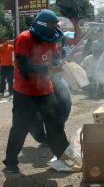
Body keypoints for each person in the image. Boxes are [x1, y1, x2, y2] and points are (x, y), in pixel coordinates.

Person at [3, 9, 80, 173]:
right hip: (25, 92)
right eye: (52, 26)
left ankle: (65, 159)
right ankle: (10, 163)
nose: (54, 29)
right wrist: (48, 69)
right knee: (20, 127)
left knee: (55, 125)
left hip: (45, 90)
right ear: (43, 25)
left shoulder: (52, 38)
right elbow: (23, 66)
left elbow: (54, 61)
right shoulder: (24, 38)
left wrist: (60, 66)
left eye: (55, 26)